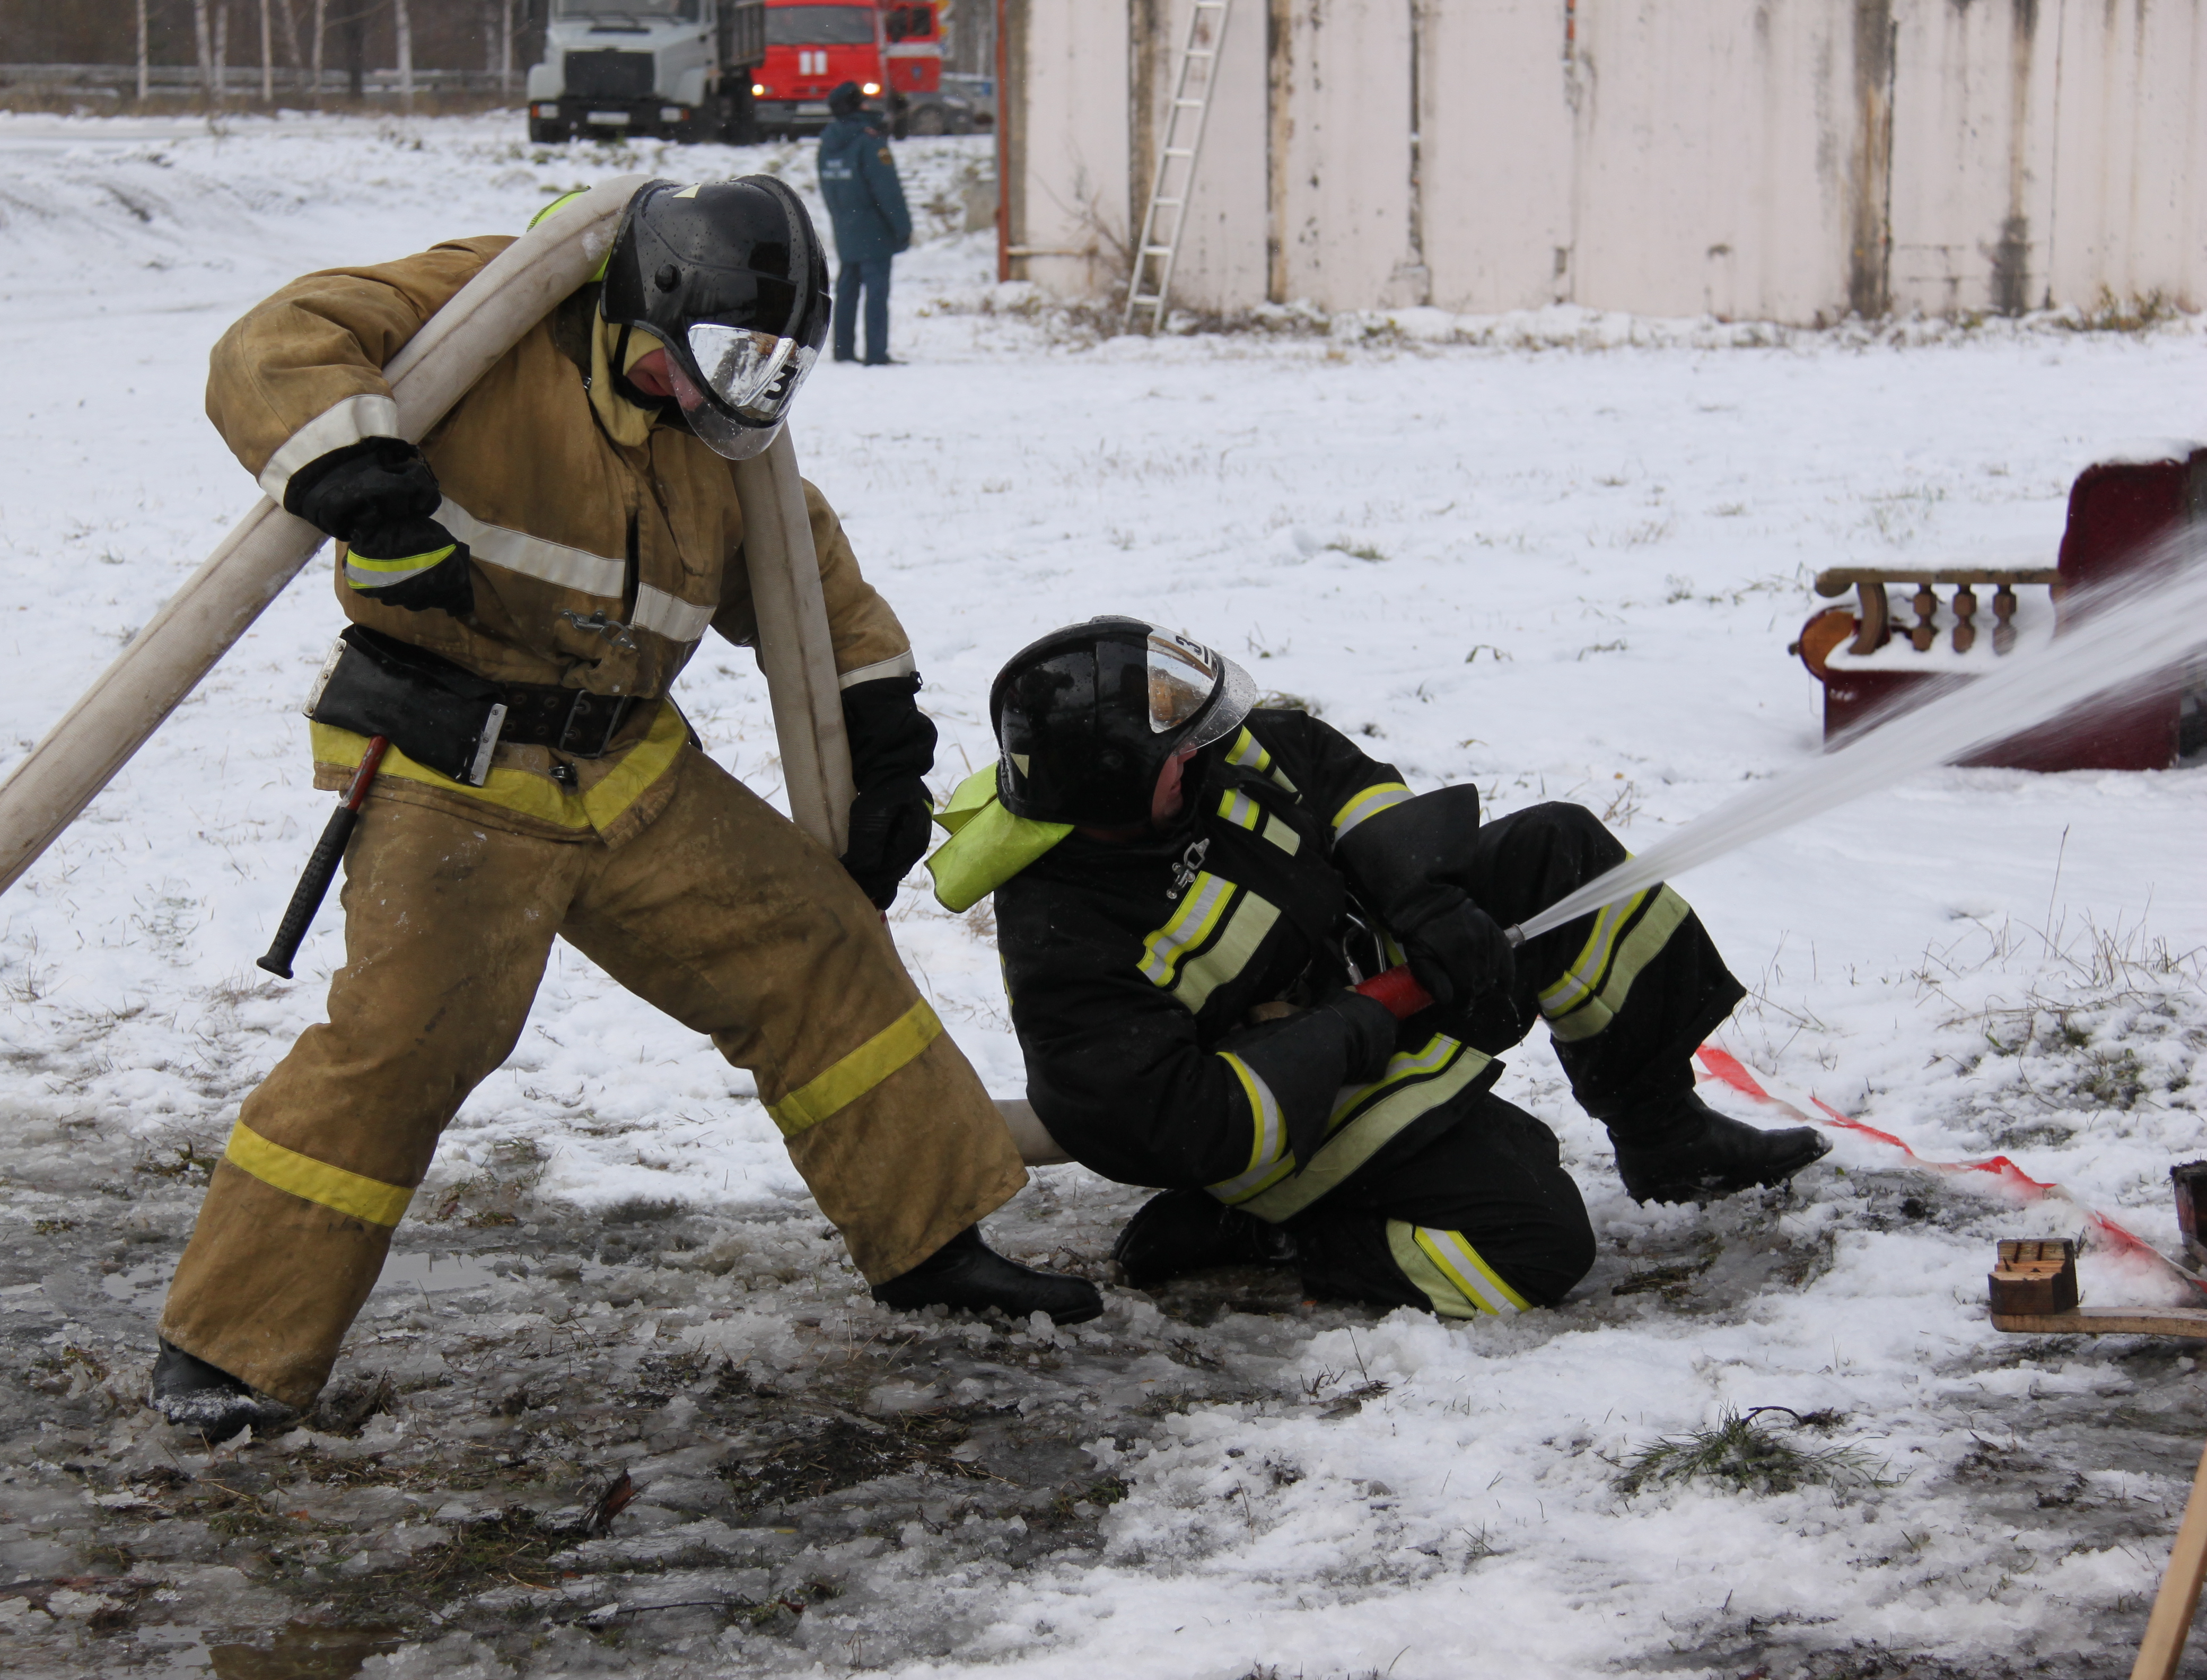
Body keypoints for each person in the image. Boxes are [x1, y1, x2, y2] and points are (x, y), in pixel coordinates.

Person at [149, 179, 1099, 1439]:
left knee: (813, 948)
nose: (736, 394)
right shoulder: (493, 310)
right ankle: (226, 1354)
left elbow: (807, 577)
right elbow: (271, 345)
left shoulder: (721, 436)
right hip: (453, 759)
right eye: (721, 358)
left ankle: (930, 1242)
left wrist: (879, 734)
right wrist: (363, 484)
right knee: (408, 1041)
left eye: (769, 369)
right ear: (648, 302)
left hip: (629, 762)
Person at [923, 617, 1831, 1319]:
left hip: (1381, 983)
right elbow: (1175, 1122)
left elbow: (1326, 768)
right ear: (1115, 786)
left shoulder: (1197, 763)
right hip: (1288, 1111)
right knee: (1536, 1242)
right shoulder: (1066, 945)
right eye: (1176, 753)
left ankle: (1665, 1135)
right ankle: (1279, 1233)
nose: (1202, 751)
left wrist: (1421, 900)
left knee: (1561, 851)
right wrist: (1369, 1016)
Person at [815, 83, 913, 366]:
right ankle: (876, 353)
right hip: (875, 229)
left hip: (845, 225)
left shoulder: (827, 145)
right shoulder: (870, 142)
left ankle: (843, 351)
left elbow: (828, 187)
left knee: (847, 289)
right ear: (858, 106)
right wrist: (902, 227)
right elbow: (887, 191)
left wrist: (842, 217)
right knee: (877, 291)